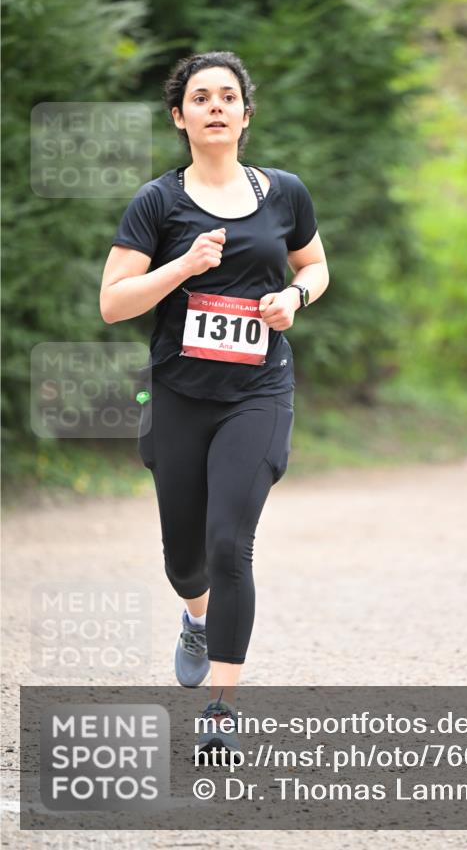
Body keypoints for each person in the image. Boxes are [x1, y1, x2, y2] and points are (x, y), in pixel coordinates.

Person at [99, 50, 329, 752]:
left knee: (231, 544)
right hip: (178, 394)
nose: (216, 107)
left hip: (257, 391)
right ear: (180, 117)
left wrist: (293, 296)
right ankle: (194, 617)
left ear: (246, 114)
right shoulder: (157, 202)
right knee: (184, 559)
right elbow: (113, 304)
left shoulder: (284, 193)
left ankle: (223, 710)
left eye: (228, 96)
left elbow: (314, 264)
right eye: (201, 98)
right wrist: (183, 265)